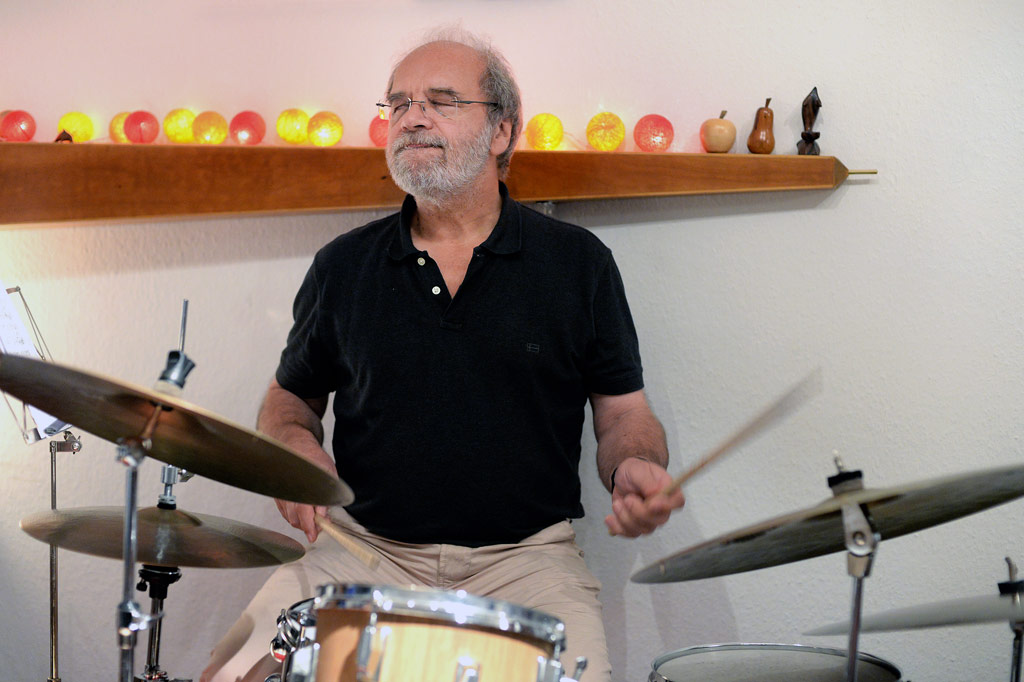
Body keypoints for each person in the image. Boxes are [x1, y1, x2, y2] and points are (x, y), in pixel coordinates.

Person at [202, 27, 684, 682]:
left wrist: (635, 464)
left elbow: (624, 412)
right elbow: (291, 396)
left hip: (526, 564)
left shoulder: (579, 264)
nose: (412, 117)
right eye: (399, 103)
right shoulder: (343, 266)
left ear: (502, 130)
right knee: (230, 673)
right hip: (362, 551)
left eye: (441, 100)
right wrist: (292, 446)